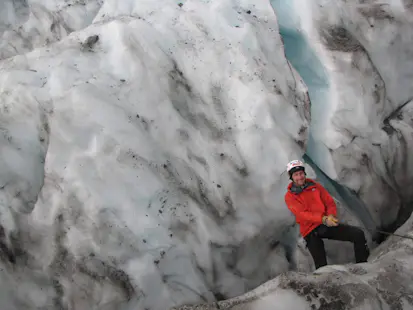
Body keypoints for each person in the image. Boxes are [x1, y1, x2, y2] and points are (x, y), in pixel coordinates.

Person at [284, 159, 370, 269]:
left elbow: (329, 202)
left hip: (325, 224)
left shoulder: (315, 186)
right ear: (291, 177)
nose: (299, 177)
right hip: (310, 231)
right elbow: (302, 214)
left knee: (358, 234)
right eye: (296, 175)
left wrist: (331, 215)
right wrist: (323, 219)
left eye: (301, 173)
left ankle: (362, 267)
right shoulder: (290, 196)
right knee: (321, 266)